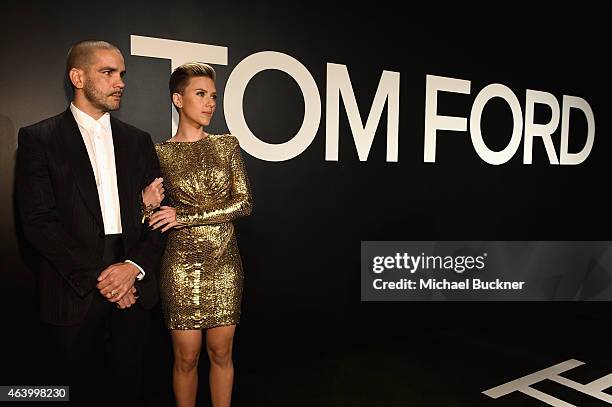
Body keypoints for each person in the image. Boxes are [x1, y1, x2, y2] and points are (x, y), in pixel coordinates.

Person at [15, 40, 166, 405]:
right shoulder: (39, 138)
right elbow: (37, 221)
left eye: (122, 74)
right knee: (69, 391)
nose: (120, 82)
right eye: (108, 72)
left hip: (133, 283)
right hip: (72, 286)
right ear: (77, 77)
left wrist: (132, 268)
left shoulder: (138, 141)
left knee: (130, 389)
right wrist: (104, 277)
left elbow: (161, 215)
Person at [142, 62, 252, 407]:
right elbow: (152, 219)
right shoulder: (159, 153)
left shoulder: (226, 145)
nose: (210, 103)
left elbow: (244, 204)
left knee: (221, 352)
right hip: (180, 267)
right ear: (178, 99)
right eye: (200, 94)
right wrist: (146, 207)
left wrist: (185, 215)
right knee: (186, 358)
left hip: (224, 265)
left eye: (213, 96)